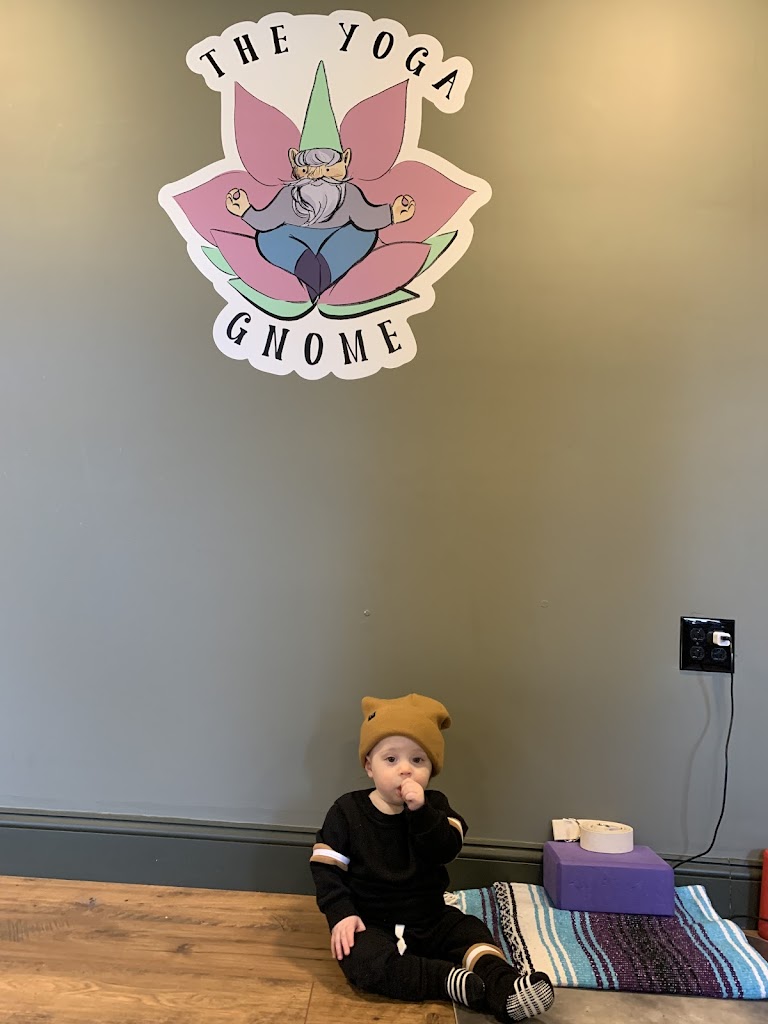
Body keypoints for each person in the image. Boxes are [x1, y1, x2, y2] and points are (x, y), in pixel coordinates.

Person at [310, 693, 555, 1022]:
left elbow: (445, 849)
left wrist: (421, 812)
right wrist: (341, 914)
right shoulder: (346, 811)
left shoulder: (436, 807)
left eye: (418, 761)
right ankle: (445, 980)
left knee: (470, 931)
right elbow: (326, 869)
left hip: (429, 916)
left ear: (431, 770)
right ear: (369, 766)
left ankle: (505, 987)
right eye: (391, 759)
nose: (405, 771)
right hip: (371, 920)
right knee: (361, 960)